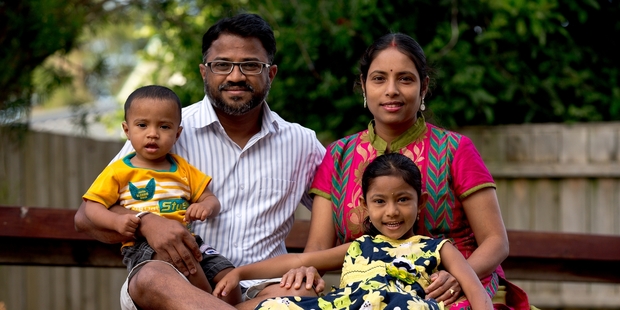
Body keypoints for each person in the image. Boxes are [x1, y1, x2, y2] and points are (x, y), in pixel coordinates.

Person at [73, 13, 325, 310]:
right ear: (204, 72)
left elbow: (340, 215)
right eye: (222, 65)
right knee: (152, 277)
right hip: (180, 285)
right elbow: (85, 217)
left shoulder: (302, 143)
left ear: (270, 74)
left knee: (302, 294)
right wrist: (146, 223)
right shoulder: (164, 130)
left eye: (251, 65)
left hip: (265, 286)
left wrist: (309, 265)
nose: (235, 76)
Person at [285, 33, 531, 309]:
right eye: (379, 79)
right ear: (363, 87)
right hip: (367, 295)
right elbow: (318, 246)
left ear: (423, 87)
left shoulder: (454, 150)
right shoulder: (338, 156)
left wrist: (460, 275)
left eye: (405, 79)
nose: (392, 90)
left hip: (448, 292)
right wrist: (306, 269)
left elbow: (495, 241)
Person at [213, 153, 493, 310]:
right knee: (275, 307)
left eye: (403, 199)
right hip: (346, 306)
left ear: (422, 202)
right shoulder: (358, 246)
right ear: (365, 206)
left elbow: (476, 292)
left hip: (403, 307)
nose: (392, 211)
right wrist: (240, 273)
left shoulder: (438, 248)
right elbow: (298, 261)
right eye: (380, 202)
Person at [82, 85, 235, 296]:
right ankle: (208, 303)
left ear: (177, 133)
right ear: (127, 130)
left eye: (164, 127)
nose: (152, 134)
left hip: (189, 240)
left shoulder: (183, 169)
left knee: (229, 278)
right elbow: (92, 207)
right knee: (189, 273)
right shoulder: (118, 171)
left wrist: (205, 207)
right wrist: (116, 222)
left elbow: (211, 199)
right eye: (142, 125)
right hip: (143, 246)